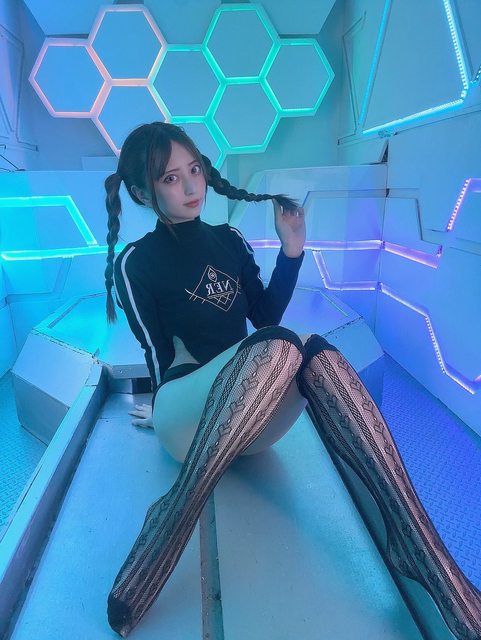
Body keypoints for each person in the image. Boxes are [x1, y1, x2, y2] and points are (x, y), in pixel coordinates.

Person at [104, 122, 481, 639]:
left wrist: (292, 251)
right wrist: (161, 410)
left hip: (250, 416)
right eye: (171, 178)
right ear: (142, 193)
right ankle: (174, 518)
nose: (191, 186)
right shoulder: (136, 263)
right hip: (187, 419)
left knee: (312, 351)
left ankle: (420, 549)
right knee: (285, 343)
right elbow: (156, 353)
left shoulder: (229, 241)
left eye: (194, 170)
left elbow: (264, 319)